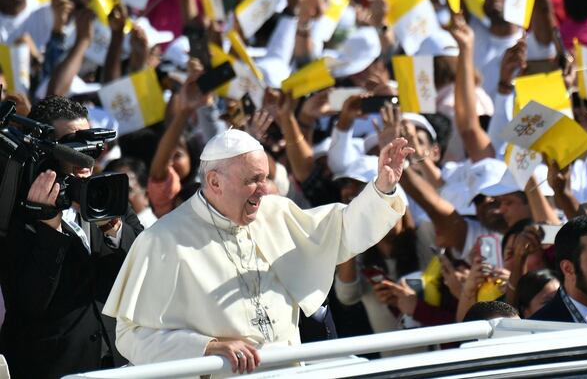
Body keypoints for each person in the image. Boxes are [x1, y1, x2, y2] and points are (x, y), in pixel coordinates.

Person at [102, 127, 414, 373]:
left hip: (290, 371)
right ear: (214, 182)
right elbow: (131, 336)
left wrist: (382, 188)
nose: (264, 189)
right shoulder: (163, 240)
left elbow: (343, 230)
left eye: (265, 178)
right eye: (253, 180)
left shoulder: (276, 212)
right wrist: (205, 347)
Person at [0, 96, 144, 378]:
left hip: (118, 363)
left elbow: (146, 264)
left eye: (89, 139)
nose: (85, 151)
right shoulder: (15, 212)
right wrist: (48, 226)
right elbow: (30, 301)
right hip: (50, 368)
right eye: (73, 142)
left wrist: (111, 226)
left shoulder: (109, 196)